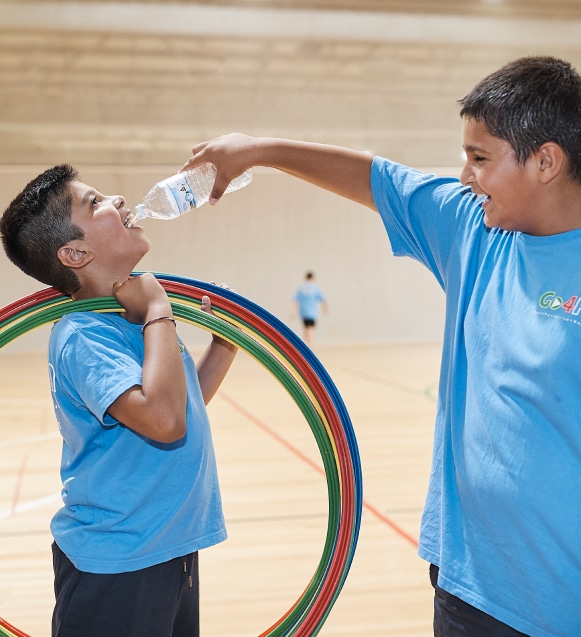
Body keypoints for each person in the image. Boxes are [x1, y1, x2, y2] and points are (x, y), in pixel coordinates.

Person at [179, 56, 581, 637]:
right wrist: (259, 150)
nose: (465, 176)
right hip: (467, 587)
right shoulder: (473, 229)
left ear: (546, 160)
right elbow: (378, 177)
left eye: (480, 159)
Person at [0, 165, 238, 637]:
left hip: (168, 548)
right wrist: (158, 310)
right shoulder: (85, 335)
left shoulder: (130, 322)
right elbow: (165, 420)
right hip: (117, 565)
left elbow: (178, 407)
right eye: (95, 202)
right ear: (75, 252)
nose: (118, 199)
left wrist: (224, 346)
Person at [293, 270, 327, 346]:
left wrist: (293, 312)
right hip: (312, 312)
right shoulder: (315, 288)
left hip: (303, 312)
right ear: (312, 278)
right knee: (310, 328)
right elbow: (322, 299)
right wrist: (325, 309)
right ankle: (310, 343)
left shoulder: (301, 288)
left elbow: (296, 300)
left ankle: (307, 343)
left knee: (306, 328)